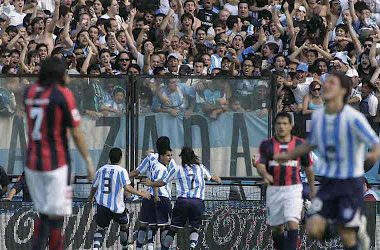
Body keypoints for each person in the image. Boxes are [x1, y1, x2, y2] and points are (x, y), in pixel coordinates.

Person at [274, 72, 380, 250]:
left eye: (332, 83)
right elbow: (310, 144)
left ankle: (354, 230)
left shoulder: (353, 118)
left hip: (349, 184)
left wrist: (369, 159)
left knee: (347, 237)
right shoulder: (320, 117)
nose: (326, 86)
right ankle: (348, 224)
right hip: (328, 183)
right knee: (312, 227)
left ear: (343, 90)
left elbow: (375, 144)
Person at [23, 57, 95, 250]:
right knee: (56, 218)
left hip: (32, 164)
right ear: (59, 75)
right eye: (66, 72)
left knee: (44, 214)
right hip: (56, 165)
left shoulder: (29, 91)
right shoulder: (62, 94)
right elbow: (76, 132)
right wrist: (88, 161)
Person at [254, 112, 315, 250]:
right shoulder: (267, 145)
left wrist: (312, 190)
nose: (281, 126)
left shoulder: (300, 144)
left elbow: (309, 169)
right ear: (275, 125)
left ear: (290, 126)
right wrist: (264, 173)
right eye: (279, 123)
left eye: (285, 123)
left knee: (292, 223)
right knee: (277, 228)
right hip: (274, 189)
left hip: (293, 188)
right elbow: (260, 164)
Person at [143, 146, 222, 250]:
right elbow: (214, 178)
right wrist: (218, 179)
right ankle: (192, 246)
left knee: (173, 229)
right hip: (197, 202)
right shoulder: (200, 167)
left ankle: (164, 248)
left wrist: (151, 183)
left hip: (182, 202)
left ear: (182, 158)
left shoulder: (177, 169)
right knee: (194, 228)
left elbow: (162, 182)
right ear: (193, 156)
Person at [88, 147, 151, 250]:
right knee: (124, 225)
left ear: (109, 157)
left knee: (100, 228)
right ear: (121, 158)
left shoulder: (101, 169)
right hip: (117, 206)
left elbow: (94, 187)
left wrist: (90, 198)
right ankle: (125, 246)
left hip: (102, 205)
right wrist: (140, 193)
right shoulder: (122, 171)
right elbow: (127, 187)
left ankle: (95, 248)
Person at [129, 136, 176, 250]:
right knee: (164, 226)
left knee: (145, 224)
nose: (169, 157)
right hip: (162, 196)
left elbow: (136, 171)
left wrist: (123, 177)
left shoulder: (150, 157)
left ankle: (139, 247)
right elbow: (160, 180)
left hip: (148, 196)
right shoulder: (170, 162)